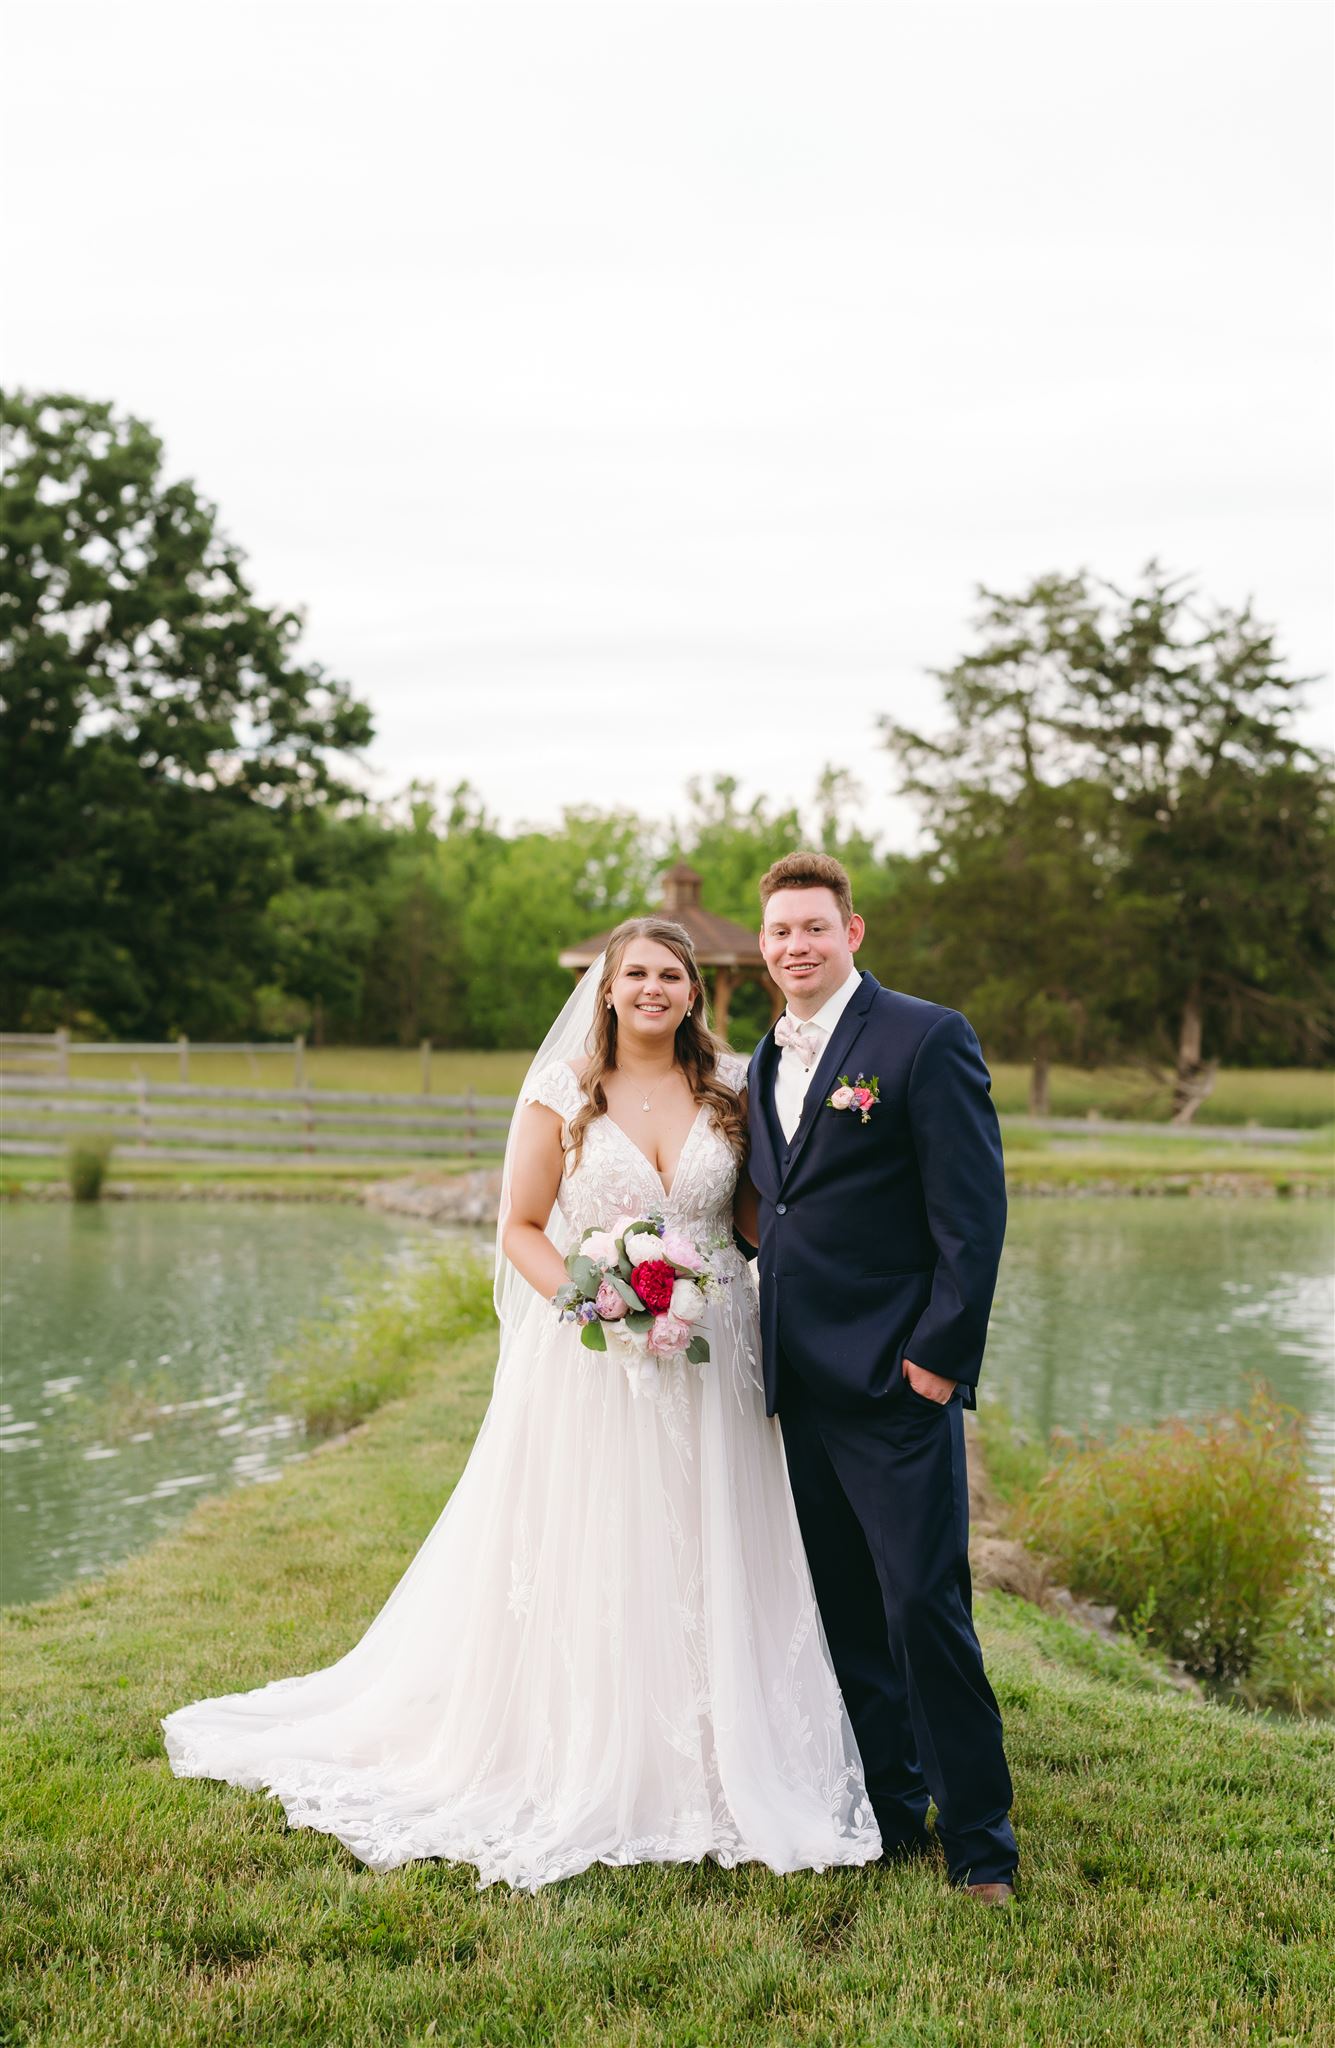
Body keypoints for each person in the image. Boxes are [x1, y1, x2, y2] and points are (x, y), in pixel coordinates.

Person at [162, 917, 880, 1890]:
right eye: (637, 972)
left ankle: (723, 1745)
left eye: (673, 973)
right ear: (607, 986)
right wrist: (602, 1300)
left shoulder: (729, 1086)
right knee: (604, 1535)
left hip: (718, 1352)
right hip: (596, 1352)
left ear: (693, 991)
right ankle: (598, 1747)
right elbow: (522, 1225)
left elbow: (755, 1218)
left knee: (713, 1533)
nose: (656, 986)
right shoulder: (559, 1096)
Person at [742, 851, 1019, 1903]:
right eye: (778, 932)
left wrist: (940, 1361)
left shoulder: (922, 1035)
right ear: (763, 948)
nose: (795, 946)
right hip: (800, 1382)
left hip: (900, 1381)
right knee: (847, 1611)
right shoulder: (764, 1058)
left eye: (814, 926)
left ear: (852, 932)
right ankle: (896, 1814)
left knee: (923, 1605)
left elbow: (972, 1214)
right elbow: (783, 1204)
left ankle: (982, 1843)